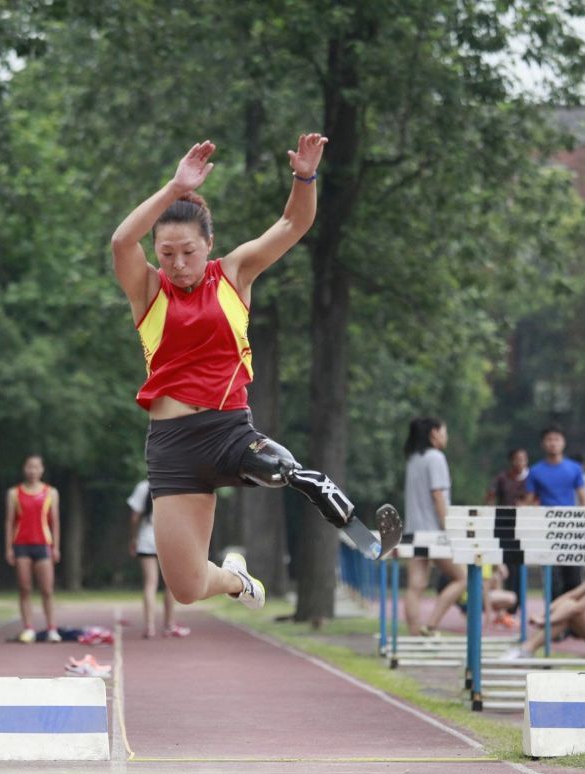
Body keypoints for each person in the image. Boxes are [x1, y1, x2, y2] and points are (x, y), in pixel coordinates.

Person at [110, 136, 398, 611]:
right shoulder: (147, 289)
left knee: (285, 472)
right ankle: (236, 580)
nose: (178, 265)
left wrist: (305, 177)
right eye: (166, 254)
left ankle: (349, 521)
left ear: (209, 245)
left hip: (228, 429)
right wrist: (173, 187)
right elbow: (123, 241)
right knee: (184, 589)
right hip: (172, 446)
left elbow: (293, 222)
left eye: (188, 252)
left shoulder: (234, 274)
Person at [401, 417, 465, 635]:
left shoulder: (413, 459)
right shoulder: (436, 458)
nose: (446, 437)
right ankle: (432, 624)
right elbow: (438, 495)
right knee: (462, 578)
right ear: (434, 433)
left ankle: (413, 633)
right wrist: (448, 527)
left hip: (413, 529)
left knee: (415, 585)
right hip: (433, 532)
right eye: (444, 432)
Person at [501, 568, 585, 660]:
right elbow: (572, 595)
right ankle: (526, 650)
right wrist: (543, 614)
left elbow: (578, 608)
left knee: (570, 608)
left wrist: (546, 620)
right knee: (568, 605)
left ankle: (526, 650)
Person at [524, 425, 585, 593]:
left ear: (563, 443)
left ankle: (573, 616)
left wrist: (584, 523)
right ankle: (552, 617)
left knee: (573, 577)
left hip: (571, 527)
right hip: (547, 528)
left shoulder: (575, 468)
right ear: (543, 444)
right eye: (549, 439)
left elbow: (583, 499)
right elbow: (529, 501)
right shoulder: (535, 471)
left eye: (556, 439)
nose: (553, 443)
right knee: (552, 579)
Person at [5, 454, 61, 644]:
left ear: (42, 470)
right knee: (25, 588)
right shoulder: (14, 493)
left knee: (47, 589)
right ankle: (28, 628)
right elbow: (9, 522)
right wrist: (9, 548)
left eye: (36, 467)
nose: (32, 471)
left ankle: (52, 628)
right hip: (21, 545)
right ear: (24, 469)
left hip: (43, 544)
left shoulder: (51, 492)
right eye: (29, 467)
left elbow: (55, 521)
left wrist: (56, 547)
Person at [127, 478, 186, 638]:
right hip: (168, 537)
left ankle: (149, 626)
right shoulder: (175, 485)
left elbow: (134, 518)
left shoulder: (143, 486)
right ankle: (169, 625)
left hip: (147, 537)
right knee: (170, 584)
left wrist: (133, 539)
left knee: (150, 583)